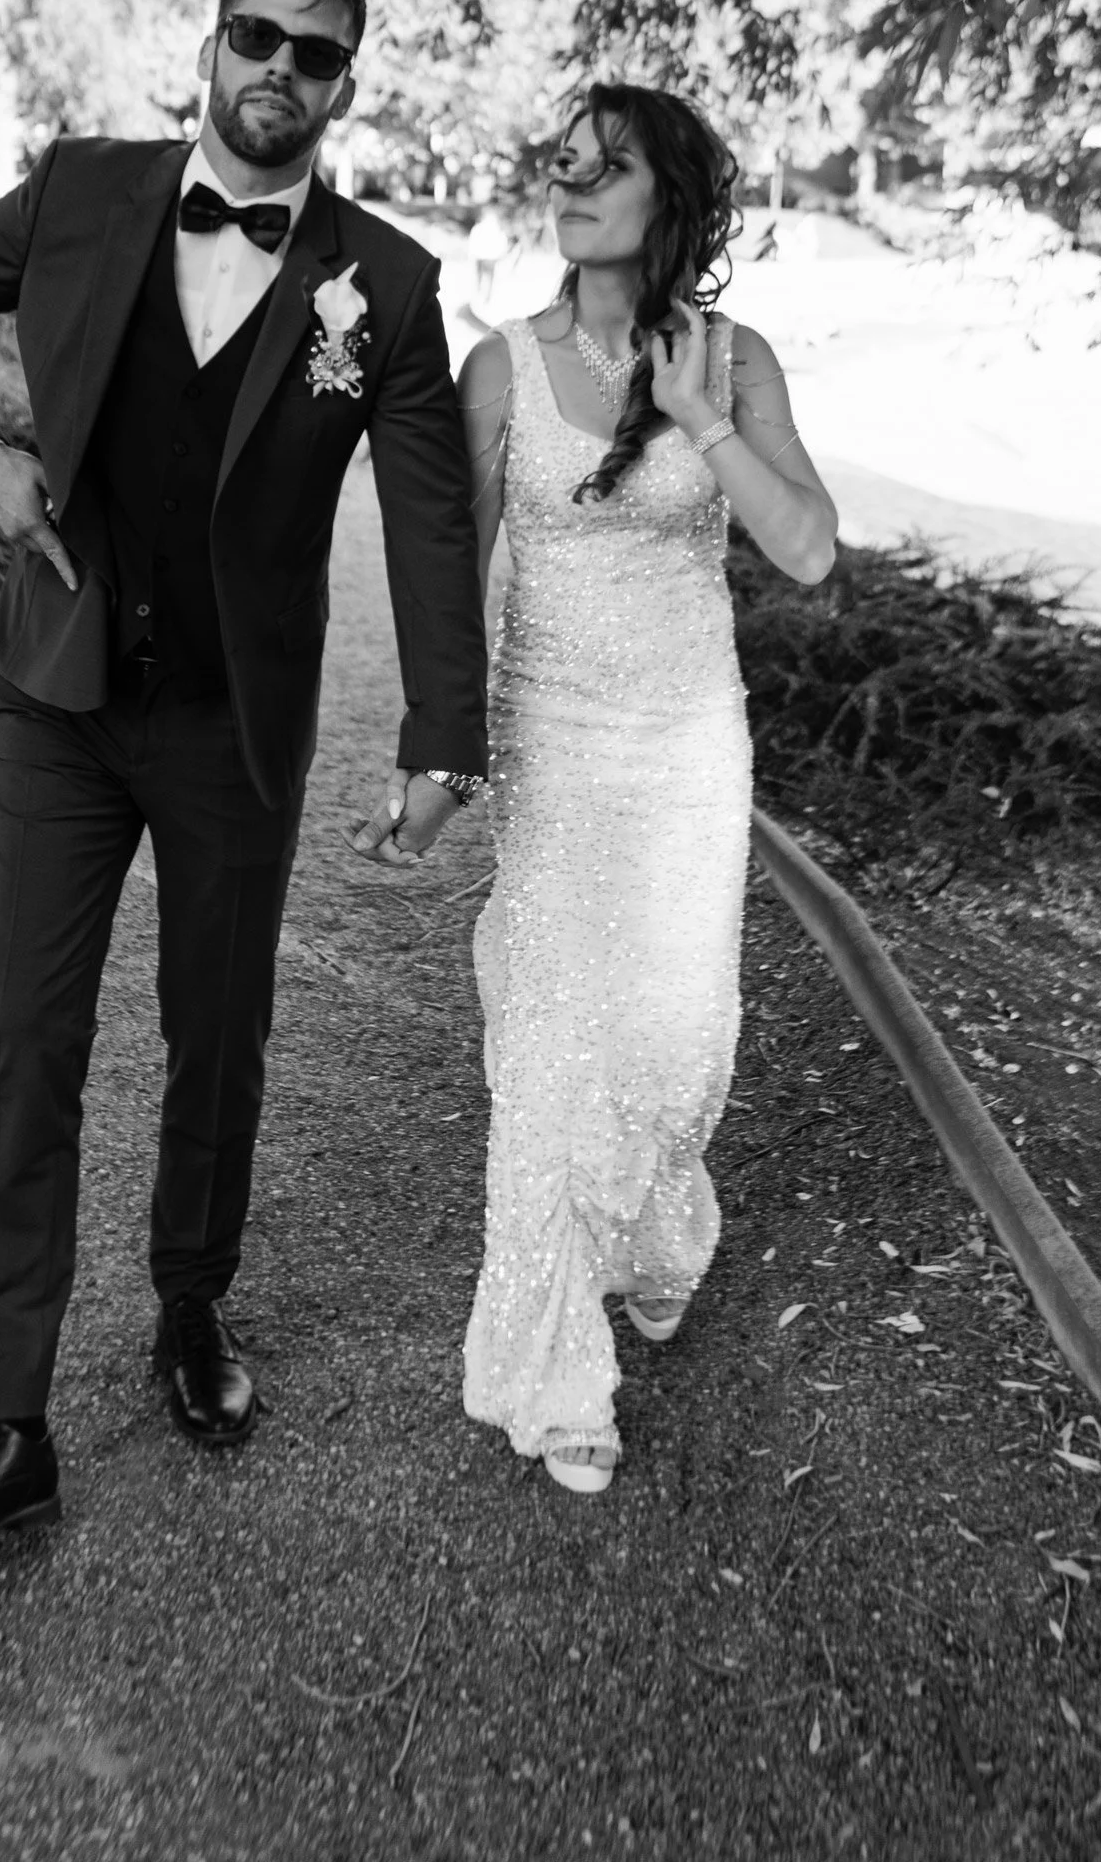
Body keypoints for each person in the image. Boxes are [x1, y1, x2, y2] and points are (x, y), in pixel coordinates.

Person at [0, 0, 489, 1560]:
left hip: (232, 724)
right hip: (62, 702)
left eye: (317, 53)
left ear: (346, 80)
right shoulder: (82, 190)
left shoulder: (387, 288)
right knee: (25, 1046)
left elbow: (426, 523)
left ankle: (192, 1307)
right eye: (257, 38)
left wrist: (443, 735)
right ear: (212, 43)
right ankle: (6, 1422)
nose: (280, 70)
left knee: (220, 1038)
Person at [457, 84, 838, 1494]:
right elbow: (446, 581)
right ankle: (555, 1380)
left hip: (687, 751)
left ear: (668, 202)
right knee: (554, 1056)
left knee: (681, 1049)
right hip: (550, 740)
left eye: (604, 168)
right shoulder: (500, 367)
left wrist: (701, 419)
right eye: (561, 163)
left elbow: (806, 549)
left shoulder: (735, 360)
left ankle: (664, 1231)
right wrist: (434, 757)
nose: (570, 183)